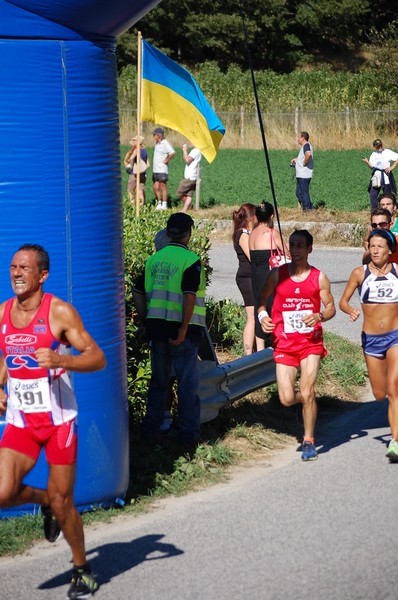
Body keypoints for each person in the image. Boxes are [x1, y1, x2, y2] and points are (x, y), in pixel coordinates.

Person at [0, 243, 106, 598]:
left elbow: (97, 357)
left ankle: (82, 567)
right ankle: (44, 501)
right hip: (20, 421)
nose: (16, 273)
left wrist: (63, 362)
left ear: (42, 275)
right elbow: (7, 359)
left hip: (59, 423)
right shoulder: (3, 313)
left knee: (65, 502)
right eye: (13, 267)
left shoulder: (59, 312)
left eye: (24, 268)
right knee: (2, 492)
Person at [258, 230, 336, 461]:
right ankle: (306, 402)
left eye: (300, 245)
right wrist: (263, 318)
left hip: (310, 343)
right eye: (292, 245)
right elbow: (260, 301)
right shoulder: (277, 275)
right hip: (284, 343)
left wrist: (320, 316)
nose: (295, 249)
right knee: (286, 398)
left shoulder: (319, 277)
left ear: (309, 248)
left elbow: (331, 307)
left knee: (307, 389)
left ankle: (309, 440)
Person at [132, 213, 206, 451]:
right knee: (187, 386)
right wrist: (184, 328)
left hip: (156, 329)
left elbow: (137, 292)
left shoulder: (154, 260)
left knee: (158, 384)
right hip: (182, 331)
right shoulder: (190, 260)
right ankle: (188, 438)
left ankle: (150, 433)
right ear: (188, 234)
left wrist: (144, 321)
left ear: (168, 232)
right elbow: (189, 295)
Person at [339, 228, 398, 462]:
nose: (374, 250)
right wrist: (351, 310)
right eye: (371, 246)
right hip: (371, 339)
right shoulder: (359, 273)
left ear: (390, 250)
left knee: (394, 389)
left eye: (380, 246)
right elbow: (343, 301)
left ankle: (395, 441)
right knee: (380, 393)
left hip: (395, 336)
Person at [249, 202, 289, 350]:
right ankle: (277, 342)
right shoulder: (272, 233)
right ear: (272, 216)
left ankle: (260, 349)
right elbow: (286, 253)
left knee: (259, 305)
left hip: (255, 274)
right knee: (273, 305)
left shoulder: (252, 234)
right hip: (269, 274)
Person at [232, 203, 257, 355]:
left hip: (250, 276)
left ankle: (253, 350)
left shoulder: (244, 233)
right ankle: (248, 353)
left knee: (255, 316)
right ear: (252, 218)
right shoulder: (242, 234)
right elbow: (252, 256)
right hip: (246, 277)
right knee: (252, 317)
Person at [362, 139, 398, 211]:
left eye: (380, 145)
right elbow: (371, 167)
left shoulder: (387, 152)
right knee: (373, 194)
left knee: (387, 195)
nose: (380, 147)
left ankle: (389, 211)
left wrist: (391, 167)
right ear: (375, 147)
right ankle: (375, 212)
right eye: (378, 146)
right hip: (376, 176)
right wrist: (367, 162)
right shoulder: (373, 154)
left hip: (385, 175)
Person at [152, 127, 175, 210]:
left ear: (159, 135)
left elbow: (172, 152)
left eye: (154, 135)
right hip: (155, 170)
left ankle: (164, 204)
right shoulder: (157, 144)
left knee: (162, 186)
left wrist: (167, 160)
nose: (153, 136)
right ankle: (159, 202)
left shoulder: (165, 143)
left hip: (162, 169)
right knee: (155, 187)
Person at [291, 131, 315, 211]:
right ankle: (310, 207)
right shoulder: (305, 146)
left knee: (304, 193)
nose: (298, 139)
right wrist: (297, 160)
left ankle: (307, 209)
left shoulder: (306, 145)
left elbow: (308, 154)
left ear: (303, 138)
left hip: (304, 175)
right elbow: (304, 156)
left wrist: (305, 162)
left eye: (299, 137)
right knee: (299, 193)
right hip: (301, 174)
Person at [123, 135, 150, 206]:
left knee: (130, 190)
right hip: (143, 174)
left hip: (134, 174)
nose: (133, 141)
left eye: (134, 140)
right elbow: (148, 165)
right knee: (140, 191)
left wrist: (129, 166)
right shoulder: (144, 151)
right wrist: (142, 170)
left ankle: (132, 205)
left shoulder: (136, 150)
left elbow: (131, 159)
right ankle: (141, 206)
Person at [177, 144, 202, 212]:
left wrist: (184, 150)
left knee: (180, 192)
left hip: (190, 177)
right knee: (189, 194)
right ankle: (186, 209)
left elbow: (187, 160)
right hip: (194, 176)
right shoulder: (198, 151)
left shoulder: (195, 151)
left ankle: (188, 207)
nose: (190, 143)